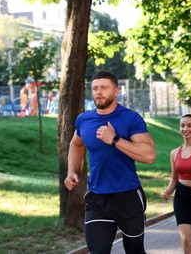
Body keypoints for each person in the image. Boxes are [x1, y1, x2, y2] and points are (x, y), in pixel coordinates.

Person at [64, 71, 156, 254]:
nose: (99, 92)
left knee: (135, 251)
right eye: (95, 88)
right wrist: (72, 171)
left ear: (116, 91)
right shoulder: (84, 120)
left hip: (128, 196)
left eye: (104, 88)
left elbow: (149, 155)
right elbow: (76, 143)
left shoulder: (131, 118)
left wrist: (114, 139)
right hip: (97, 198)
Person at [161, 114, 191, 254]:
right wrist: (168, 191)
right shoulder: (174, 153)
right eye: (182, 126)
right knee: (186, 239)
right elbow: (174, 178)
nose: (185, 129)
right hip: (182, 197)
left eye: (189, 125)